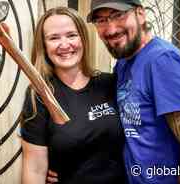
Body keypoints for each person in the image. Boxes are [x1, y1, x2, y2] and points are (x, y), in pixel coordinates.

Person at [85, 0, 180, 184]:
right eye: (101, 20)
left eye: (118, 15)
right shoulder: (124, 63)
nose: (111, 29)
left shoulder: (163, 61)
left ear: (140, 14)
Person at [20, 7, 126, 184]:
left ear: (83, 39)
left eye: (71, 35)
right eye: (54, 38)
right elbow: (34, 168)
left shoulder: (110, 83)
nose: (64, 44)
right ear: (44, 46)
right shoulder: (40, 95)